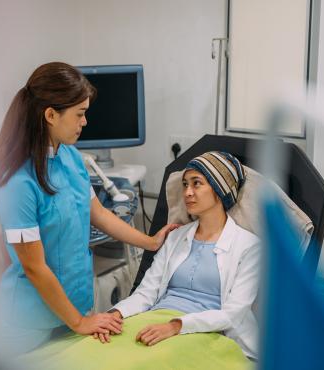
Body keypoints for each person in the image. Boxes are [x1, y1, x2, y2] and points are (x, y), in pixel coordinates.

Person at [0, 62, 178, 354]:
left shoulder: (72, 159)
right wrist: (78, 323)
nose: (85, 122)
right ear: (50, 115)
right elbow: (34, 267)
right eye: (80, 114)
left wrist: (150, 242)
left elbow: (98, 213)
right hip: (29, 325)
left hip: (77, 308)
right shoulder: (16, 182)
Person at [106, 151, 261, 359]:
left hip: (206, 331)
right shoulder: (176, 236)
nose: (188, 192)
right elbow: (146, 292)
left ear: (219, 189)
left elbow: (233, 314)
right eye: (185, 184)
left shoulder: (249, 246)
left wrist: (176, 326)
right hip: (155, 321)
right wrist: (114, 314)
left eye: (197, 184)